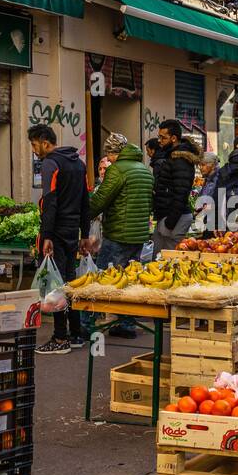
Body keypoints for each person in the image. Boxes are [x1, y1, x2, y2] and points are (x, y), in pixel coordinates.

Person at [28, 124, 90, 353]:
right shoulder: (78, 164)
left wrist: (47, 236)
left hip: (57, 231)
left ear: (45, 142)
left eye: (34, 145)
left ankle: (60, 338)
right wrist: (85, 233)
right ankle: (76, 334)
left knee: (57, 284)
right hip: (73, 230)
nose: (34, 150)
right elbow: (86, 201)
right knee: (70, 282)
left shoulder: (50, 163)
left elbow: (50, 202)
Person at [87, 133, 154, 339]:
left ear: (114, 152)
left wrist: (83, 214)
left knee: (102, 278)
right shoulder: (144, 170)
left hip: (118, 233)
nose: (109, 158)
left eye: (109, 153)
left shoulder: (117, 170)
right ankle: (126, 323)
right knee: (128, 280)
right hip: (138, 234)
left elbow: (101, 199)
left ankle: (86, 324)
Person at [151, 120, 200, 250]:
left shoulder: (180, 160)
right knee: (158, 260)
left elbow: (181, 193)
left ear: (173, 138)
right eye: (159, 137)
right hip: (168, 216)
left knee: (167, 261)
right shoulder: (172, 157)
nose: (159, 141)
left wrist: (169, 223)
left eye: (163, 137)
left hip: (174, 218)